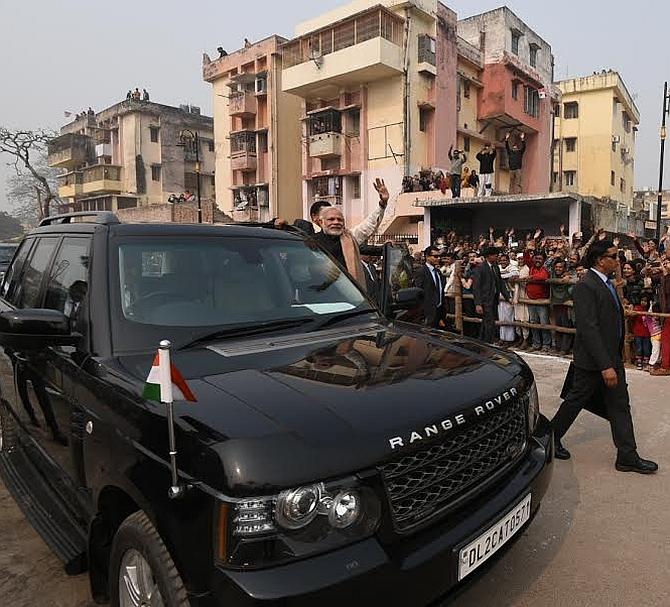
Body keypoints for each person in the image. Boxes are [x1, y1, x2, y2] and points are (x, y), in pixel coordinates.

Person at [551, 239, 658, 474]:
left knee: (620, 406)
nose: (618, 260)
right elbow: (588, 329)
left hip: (612, 358)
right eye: (614, 256)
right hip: (593, 362)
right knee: (575, 401)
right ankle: (549, 437)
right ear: (600, 260)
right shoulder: (585, 286)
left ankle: (627, 457)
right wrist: (605, 366)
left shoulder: (609, 283)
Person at [313, 178, 389, 291]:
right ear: (321, 222)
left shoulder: (348, 238)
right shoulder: (310, 242)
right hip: (320, 295)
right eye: (331, 219)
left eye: (340, 220)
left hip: (350, 295)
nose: (336, 222)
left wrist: (382, 204)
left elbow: (367, 226)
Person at [473, 246, 509, 344]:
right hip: (485, 300)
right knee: (489, 323)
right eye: (495, 255)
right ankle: (488, 343)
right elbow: (476, 287)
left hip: (494, 299)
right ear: (489, 256)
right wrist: (478, 303)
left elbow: (500, 283)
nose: (497, 257)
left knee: (487, 322)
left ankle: (482, 342)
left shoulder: (495, 267)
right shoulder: (480, 268)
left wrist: (507, 296)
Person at [415, 245, 446, 329]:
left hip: (439, 312)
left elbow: (440, 291)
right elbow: (418, 294)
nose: (438, 258)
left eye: (439, 256)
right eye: (435, 256)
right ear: (427, 257)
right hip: (427, 314)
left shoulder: (438, 272)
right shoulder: (421, 272)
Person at [526, 252, 551, 352]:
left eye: (540, 259)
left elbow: (543, 277)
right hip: (531, 300)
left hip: (542, 301)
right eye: (536, 258)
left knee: (544, 323)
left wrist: (531, 277)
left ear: (544, 260)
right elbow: (526, 258)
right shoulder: (532, 268)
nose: (538, 260)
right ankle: (536, 343)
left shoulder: (545, 269)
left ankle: (546, 344)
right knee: (533, 323)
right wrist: (528, 249)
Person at [498, 253, 519, 344]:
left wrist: (501, 276)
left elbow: (515, 274)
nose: (503, 262)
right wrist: (504, 276)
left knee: (509, 316)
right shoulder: (498, 267)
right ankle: (502, 337)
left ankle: (510, 339)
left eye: (505, 260)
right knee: (501, 316)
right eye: (501, 260)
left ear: (508, 261)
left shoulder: (512, 267)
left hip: (509, 294)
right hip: (499, 295)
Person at [632, 294, 652, 370]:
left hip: (647, 333)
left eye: (645, 301)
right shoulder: (637, 308)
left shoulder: (649, 310)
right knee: (639, 348)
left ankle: (646, 362)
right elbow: (632, 317)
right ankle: (639, 361)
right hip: (638, 332)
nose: (643, 302)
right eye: (642, 300)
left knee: (646, 348)